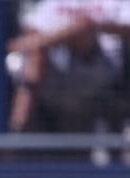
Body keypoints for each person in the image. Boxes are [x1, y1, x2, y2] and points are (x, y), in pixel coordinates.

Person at [8, 0, 130, 133]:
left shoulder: (116, 2)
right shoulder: (54, 2)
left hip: (101, 67)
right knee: (36, 53)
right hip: (55, 71)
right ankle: (16, 132)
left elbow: (123, 27)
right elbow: (32, 28)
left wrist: (95, 27)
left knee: (85, 26)